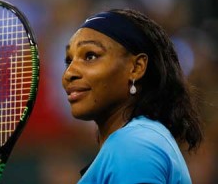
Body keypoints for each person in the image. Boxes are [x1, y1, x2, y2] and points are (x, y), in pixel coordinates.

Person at [61, 9, 203, 184]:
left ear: (136, 68)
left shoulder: (133, 145)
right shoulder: (138, 140)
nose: (69, 73)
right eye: (69, 61)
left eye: (90, 56)